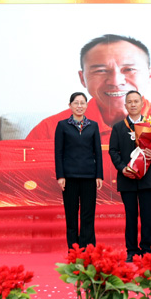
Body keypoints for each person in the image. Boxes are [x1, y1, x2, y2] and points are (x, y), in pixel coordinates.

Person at [27, 34, 151, 144]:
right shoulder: (50, 131)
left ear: (150, 74)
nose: (115, 81)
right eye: (100, 70)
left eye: (128, 70)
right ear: (82, 78)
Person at [109, 90, 151, 262]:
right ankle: (132, 251)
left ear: (142, 104)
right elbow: (113, 151)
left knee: (148, 217)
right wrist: (122, 168)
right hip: (127, 178)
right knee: (131, 217)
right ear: (125, 105)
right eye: (130, 102)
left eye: (136, 101)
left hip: (148, 180)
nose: (133, 104)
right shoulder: (118, 127)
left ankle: (148, 251)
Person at [54, 92, 103, 249]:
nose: (79, 106)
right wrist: (60, 176)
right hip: (69, 177)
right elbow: (58, 152)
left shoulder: (93, 125)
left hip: (89, 176)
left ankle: (88, 250)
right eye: (76, 103)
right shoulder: (62, 125)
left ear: (87, 106)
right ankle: (74, 250)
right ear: (70, 105)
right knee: (71, 215)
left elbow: (98, 152)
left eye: (82, 103)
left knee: (88, 215)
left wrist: (99, 175)